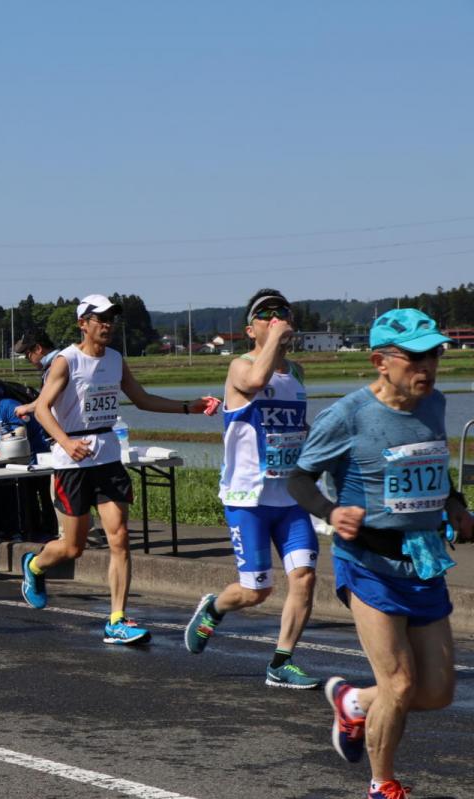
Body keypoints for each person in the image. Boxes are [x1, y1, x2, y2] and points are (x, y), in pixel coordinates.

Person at [287, 308, 473, 799]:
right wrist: (330, 510)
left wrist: (457, 507)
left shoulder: (433, 406)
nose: (427, 366)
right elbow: (298, 478)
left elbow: (436, 469)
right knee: (399, 683)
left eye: (433, 353)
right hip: (367, 562)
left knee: (436, 692)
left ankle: (353, 701)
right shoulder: (348, 415)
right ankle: (382, 783)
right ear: (380, 361)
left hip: (422, 559)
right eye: (414, 356)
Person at [23, 293, 217, 644]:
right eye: (100, 318)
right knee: (73, 547)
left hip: (108, 456)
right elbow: (41, 411)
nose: (108, 324)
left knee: (121, 538)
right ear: (83, 323)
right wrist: (66, 442)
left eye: (112, 318)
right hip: (73, 460)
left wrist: (190, 407)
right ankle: (35, 566)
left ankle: (116, 619)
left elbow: (142, 399)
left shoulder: (115, 359)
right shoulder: (66, 361)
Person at [183, 289, 321, 688]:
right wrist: (276, 337)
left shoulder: (295, 373)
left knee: (305, 577)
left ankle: (281, 662)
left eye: (283, 312)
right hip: (248, 498)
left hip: (290, 497)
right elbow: (259, 379)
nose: (276, 318)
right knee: (255, 591)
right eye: (266, 314)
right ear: (250, 330)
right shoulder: (239, 368)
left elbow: (297, 426)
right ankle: (214, 608)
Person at [0, 381, 55, 541]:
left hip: (34, 454)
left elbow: (20, 431)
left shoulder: (8, 406)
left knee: (40, 493)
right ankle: (18, 529)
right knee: (21, 495)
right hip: (11, 458)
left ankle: (47, 530)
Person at [12, 328, 58, 422]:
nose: (28, 360)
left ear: (38, 349)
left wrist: (27, 408)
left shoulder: (56, 366)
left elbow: (47, 399)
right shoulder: (54, 364)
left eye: (27, 355)